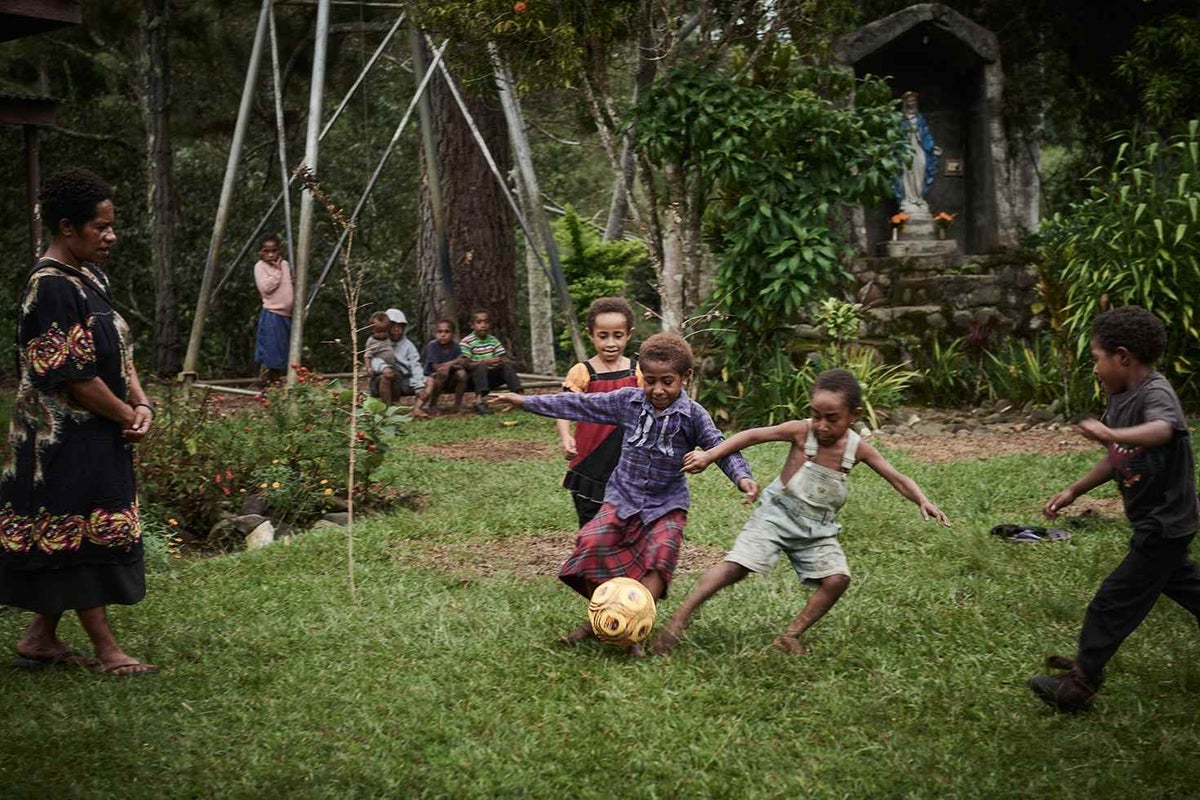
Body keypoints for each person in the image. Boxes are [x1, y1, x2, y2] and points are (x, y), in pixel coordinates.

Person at [651, 368, 951, 656]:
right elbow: (753, 435)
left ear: (853, 416)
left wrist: (921, 499)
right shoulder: (801, 431)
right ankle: (679, 619)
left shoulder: (858, 449)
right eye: (816, 415)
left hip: (816, 530)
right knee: (735, 567)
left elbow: (896, 477)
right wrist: (710, 454)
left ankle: (791, 634)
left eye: (831, 419)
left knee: (837, 580)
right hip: (776, 515)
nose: (821, 425)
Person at [491, 333, 757, 654]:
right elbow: (577, 403)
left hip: (666, 504)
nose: (658, 390)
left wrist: (743, 478)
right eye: (651, 381)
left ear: (686, 378)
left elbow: (721, 447)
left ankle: (634, 635)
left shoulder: (694, 415)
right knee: (589, 545)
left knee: (660, 560)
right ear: (640, 376)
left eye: (668, 382)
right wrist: (524, 401)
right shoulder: (626, 401)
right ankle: (606, 617)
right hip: (622, 498)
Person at [0, 168, 156, 676]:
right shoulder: (50, 289)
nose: (111, 236)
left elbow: (119, 355)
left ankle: (40, 637)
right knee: (78, 533)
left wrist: (143, 403)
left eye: (112, 225)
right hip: (58, 442)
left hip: (98, 431)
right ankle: (109, 651)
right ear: (67, 228)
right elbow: (72, 377)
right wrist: (126, 413)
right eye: (101, 227)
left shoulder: (91, 279)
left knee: (71, 532)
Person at [1029, 306, 1200, 713]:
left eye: (1096, 358)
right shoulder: (1121, 399)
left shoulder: (1155, 393)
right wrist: (1075, 489)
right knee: (1185, 585)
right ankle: (1087, 666)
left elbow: (1162, 430)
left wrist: (1110, 431)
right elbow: (1117, 456)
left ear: (1122, 357)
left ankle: (1081, 683)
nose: (1095, 367)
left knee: (1113, 601)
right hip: (1157, 522)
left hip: (1165, 523)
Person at [556, 297, 640, 526]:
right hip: (589, 459)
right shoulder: (582, 372)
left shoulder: (638, 372)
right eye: (603, 336)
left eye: (618, 335)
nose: (610, 343)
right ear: (591, 334)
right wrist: (566, 437)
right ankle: (589, 559)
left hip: (627, 460)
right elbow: (564, 408)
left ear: (628, 334)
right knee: (590, 522)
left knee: (626, 521)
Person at [365, 309, 426, 416]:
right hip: (380, 379)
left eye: (400, 326)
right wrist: (382, 367)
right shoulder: (377, 341)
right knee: (385, 378)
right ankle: (387, 409)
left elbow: (415, 364)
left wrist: (419, 385)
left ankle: (417, 409)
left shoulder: (408, 345)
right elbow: (371, 358)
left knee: (429, 381)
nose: (397, 330)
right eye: (393, 326)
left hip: (401, 380)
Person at [461, 309, 521, 415]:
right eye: (479, 322)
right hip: (474, 379)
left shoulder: (493, 340)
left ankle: (518, 397)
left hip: (491, 378)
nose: (483, 325)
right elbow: (465, 364)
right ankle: (479, 401)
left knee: (507, 366)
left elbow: (502, 357)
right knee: (481, 366)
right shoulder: (467, 342)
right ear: (472, 325)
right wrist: (485, 362)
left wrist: (500, 362)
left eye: (486, 322)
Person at [893, 91, 941, 213]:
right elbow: (895, 136)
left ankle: (918, 198)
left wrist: (932, 147)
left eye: (914, 101)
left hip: (919, 148)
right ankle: (908, 199)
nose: (912, 103)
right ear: (905, 103)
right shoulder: (900, 119)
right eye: (909, 100)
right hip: (905, 149)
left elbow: (926, 134)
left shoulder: (920, 118)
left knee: (921, 169)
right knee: (907, 172)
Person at [253, 233, 293, 383]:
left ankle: (275, 383)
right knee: (271, 353)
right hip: (272, 313)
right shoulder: (260, 267)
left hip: (286, 314)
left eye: (274, 251)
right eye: (266, 251)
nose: (270, 254)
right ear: (260, 253)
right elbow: (265, 288)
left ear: (279, 251)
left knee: (282, 351)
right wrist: (277, 272)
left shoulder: (285, 264)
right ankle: (267, 383)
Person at [420, 318, 468, 414]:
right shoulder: (432, 345)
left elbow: (460, 365)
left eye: (447, 332)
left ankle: (457, 404)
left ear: (453, 334)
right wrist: (454, 362)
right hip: (433, 378)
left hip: (450, 377)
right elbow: (436, 367)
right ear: (435, 333)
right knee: (441, 372)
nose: (443, 335)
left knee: (462, 374)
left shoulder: (456, 346)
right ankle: (433, 405)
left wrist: (450, 366)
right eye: (440, 332)